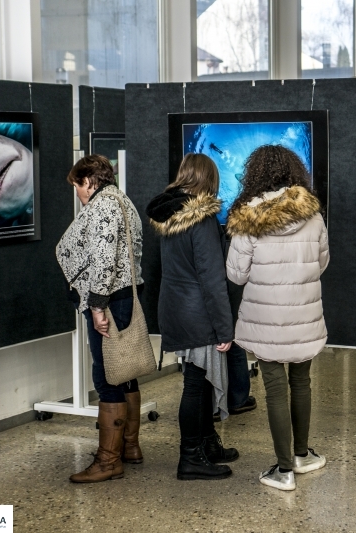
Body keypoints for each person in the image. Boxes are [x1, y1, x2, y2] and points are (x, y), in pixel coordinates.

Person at [226, 145, 329, 491]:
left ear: (254, 174)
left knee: (275, 391)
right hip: (305, 313)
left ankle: (284, 471)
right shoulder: (313, 214)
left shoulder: (246, 218)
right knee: (301, 382)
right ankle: (301, 455)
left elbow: (237, 275)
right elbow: (322, 262)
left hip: (264, 317)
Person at [145, 153, 239, 481]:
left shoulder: (171, 215)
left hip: (174, 307)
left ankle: (208, 444)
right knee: (196, 385)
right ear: (208, 180)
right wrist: (225, 328)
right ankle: (190, 457)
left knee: (197, 381)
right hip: (198, 311)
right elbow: (212, 278)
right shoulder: (201, 219)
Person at [56, 155, 145, 483]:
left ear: (89, 181)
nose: (78, 193)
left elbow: (104, 260)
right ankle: (129, 447)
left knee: (107, 377)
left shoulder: (103, 206)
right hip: (123, 296)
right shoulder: (123, 200)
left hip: (110, 299)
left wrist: (96, 306)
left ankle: (108, 460)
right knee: (124, 371)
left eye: (78, 185)